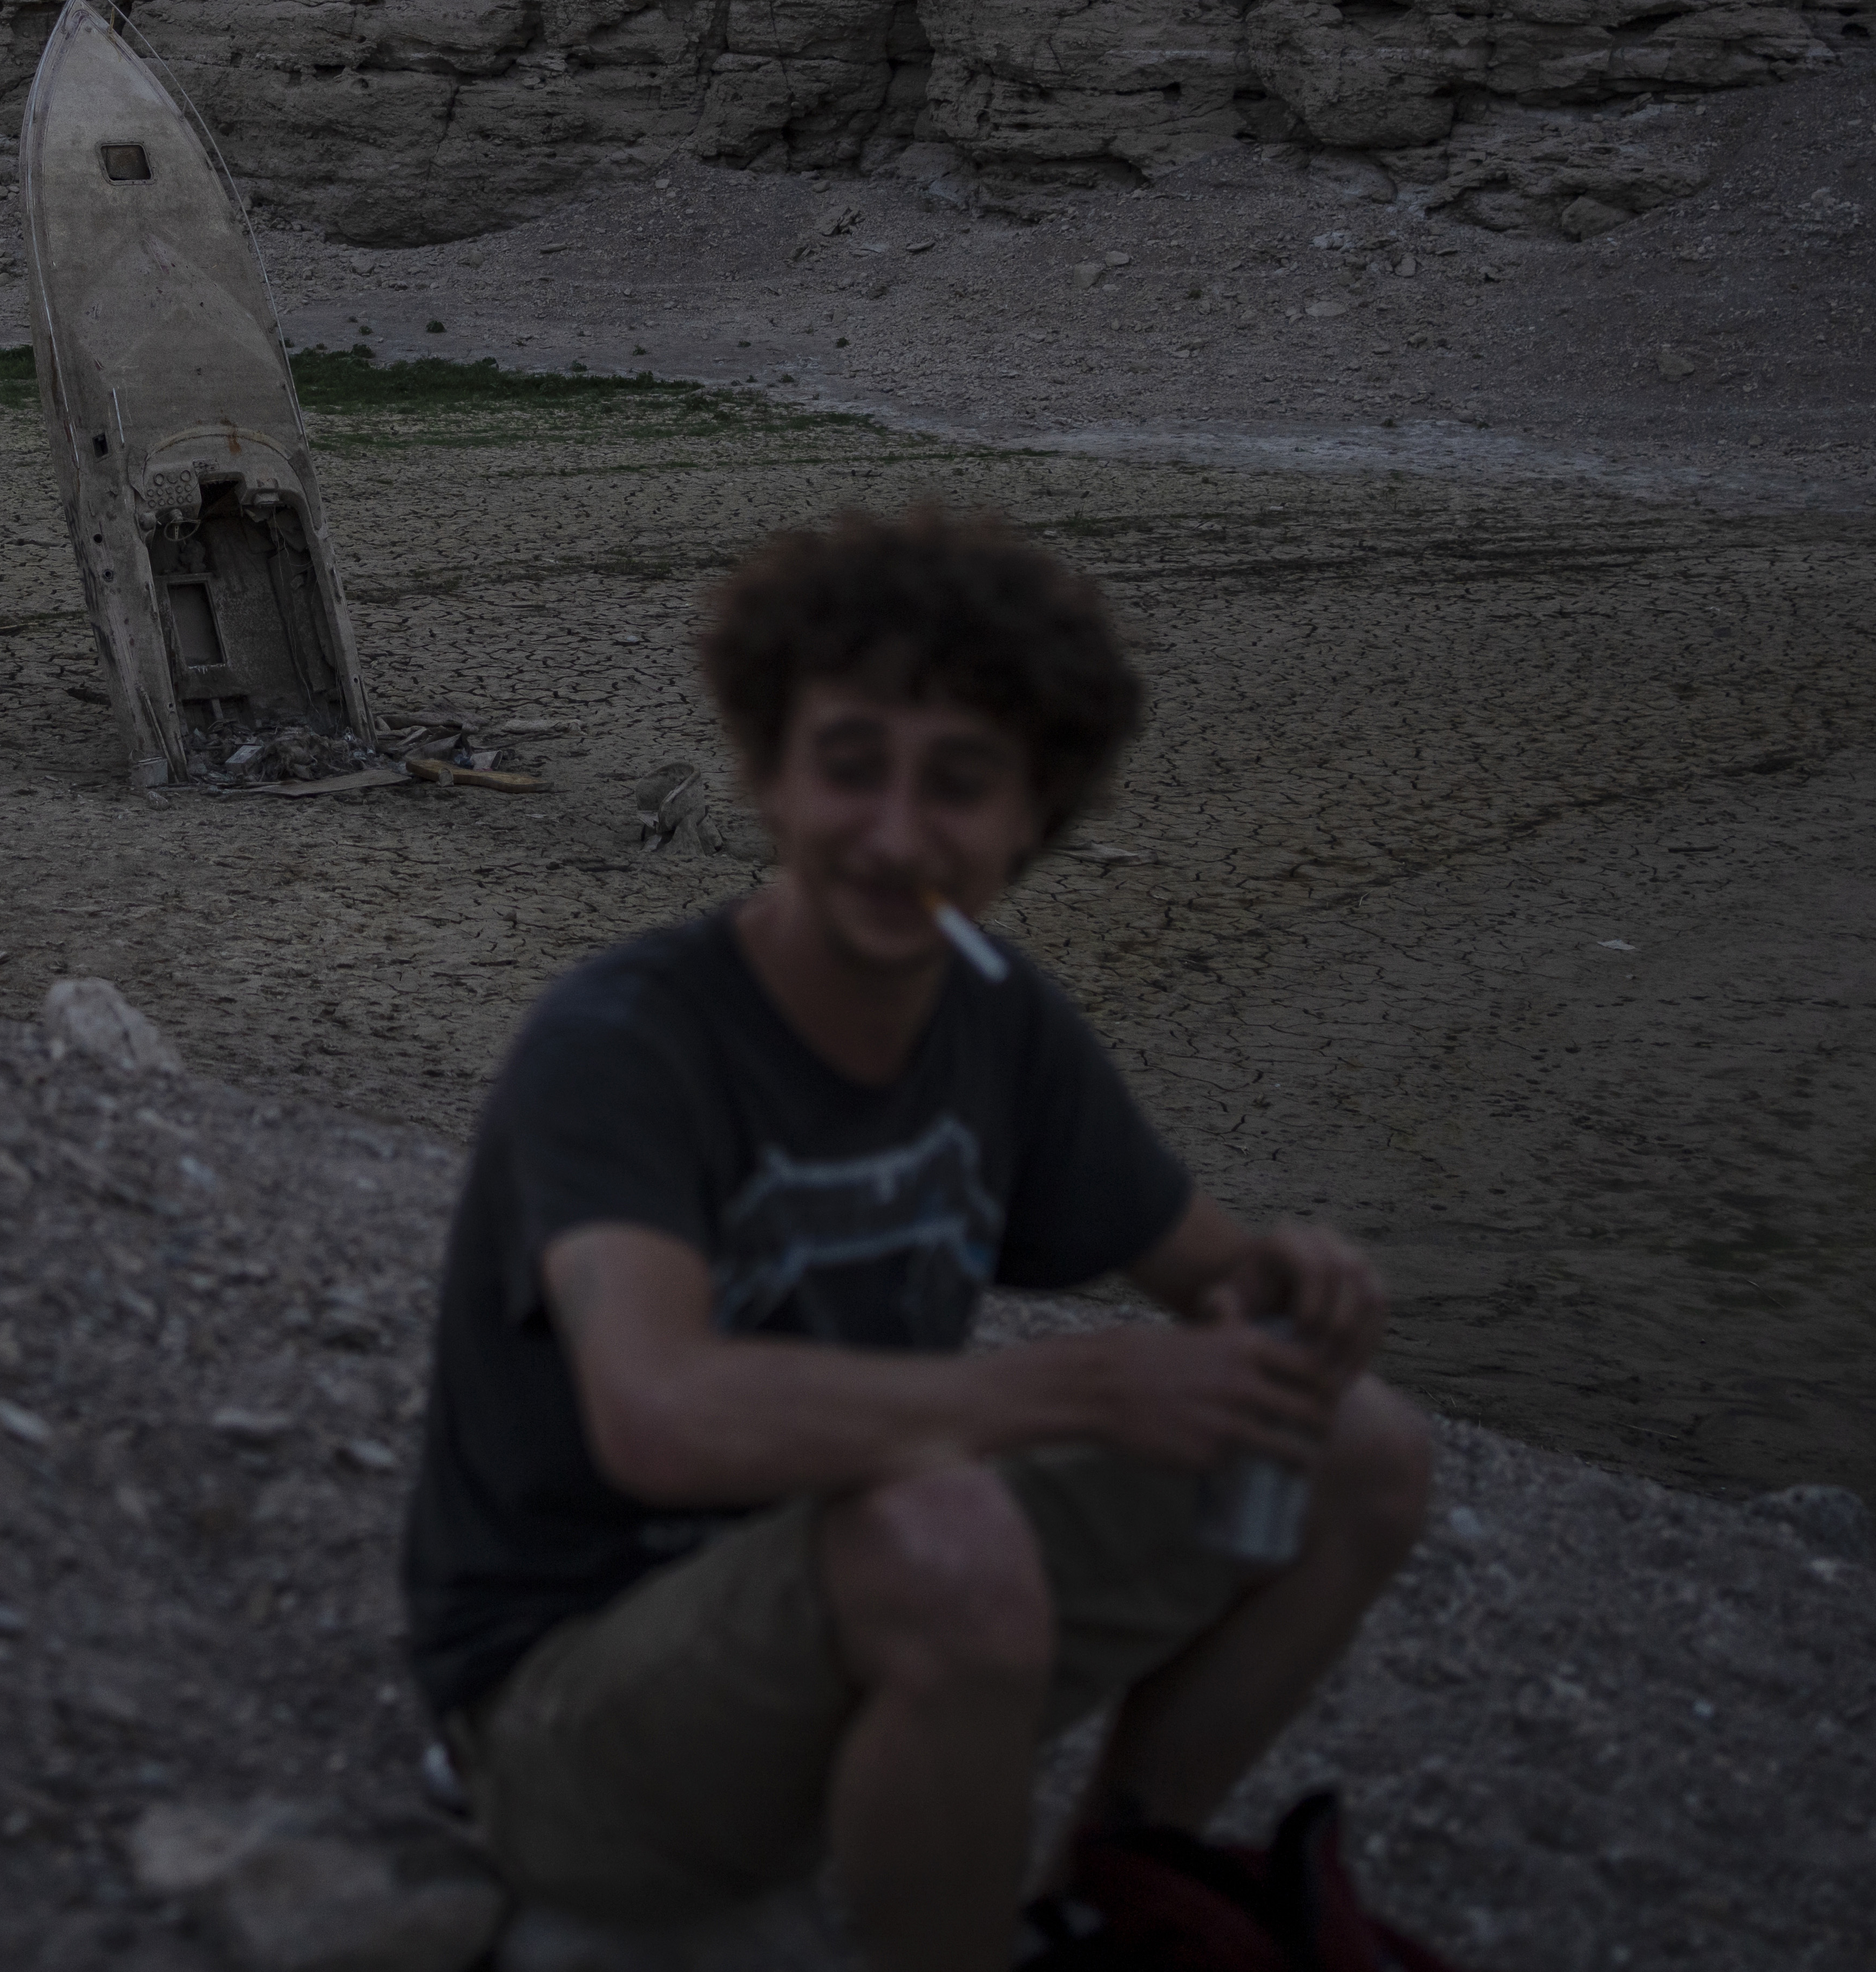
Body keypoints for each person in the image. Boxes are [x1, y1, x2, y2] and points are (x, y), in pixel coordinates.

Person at [401, 508, 1441, 1972]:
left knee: (1359, 1448)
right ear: (767, 773)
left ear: (1037, 812)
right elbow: (659, 1412)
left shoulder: (995, 1020)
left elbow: (1215, 1275)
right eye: (849, 766)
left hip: (843, 1607)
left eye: (958, 785)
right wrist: (1081, 1388)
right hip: (573, 1715)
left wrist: (1300, 1290)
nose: (894, 836)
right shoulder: (628, 1042)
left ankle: (1114, 1889)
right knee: (938, 1536)